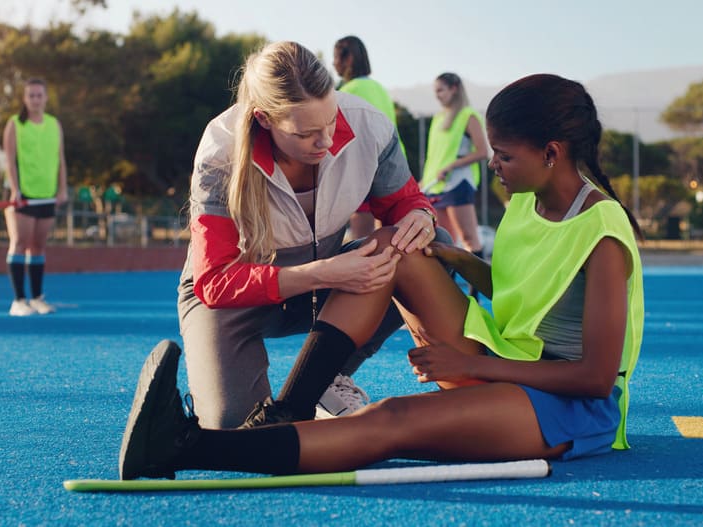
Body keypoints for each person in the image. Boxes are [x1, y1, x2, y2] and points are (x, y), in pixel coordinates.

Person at [118, 73, 645, 480]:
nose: (492, 165)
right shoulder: (530, 200)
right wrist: (457, 260)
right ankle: (289, 410)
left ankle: (184, 447)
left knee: (392, 420)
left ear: (551, 154)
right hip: (508, 361)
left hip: (569, 405)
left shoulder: (600, 232)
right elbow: (530, 294)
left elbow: (594, 378)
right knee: (397, 246)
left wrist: (469, 365)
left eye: (504, 156)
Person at [174, 41, 441, 429]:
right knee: (238, 429)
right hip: (234, 298)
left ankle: (324, 378)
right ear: (265, 119)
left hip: (326, 284)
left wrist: (420, 215)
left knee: (433, 249)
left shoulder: (369, 125)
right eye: (306, 134)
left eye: (331, 121)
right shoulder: (221, 152)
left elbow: (404, 203)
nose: (327, 141)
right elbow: (215, 281)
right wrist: (322, 273)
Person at [2, 78, 68, 316]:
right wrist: (15, 189)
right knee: (20, 242)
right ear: (25, 99)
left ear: (46, 98)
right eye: (31, 95)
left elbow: (60, 159)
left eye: (39, 95)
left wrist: (62, 188)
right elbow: (9, 159)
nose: (35, 100)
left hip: (46, 194)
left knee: (38, 246)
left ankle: (37, 298)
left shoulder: (54, 124)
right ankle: (19, 301)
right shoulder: (15, 124)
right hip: (23, 194)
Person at [332, 36, 405, 240]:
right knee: (389, 239)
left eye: (335, 57)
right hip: (392, 165)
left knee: (362, 241)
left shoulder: (347, 91)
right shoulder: (380, 89)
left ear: (348, 59)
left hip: (364, 167)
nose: (333, 63)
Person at [420, 73, 489, 266]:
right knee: (444, 241)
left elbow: (483, 152)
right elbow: (434, 155)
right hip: (435, 185)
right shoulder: (438, 118)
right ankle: (448, 282)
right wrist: (424, 180)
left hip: (458, 183)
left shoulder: (468, 116)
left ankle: (478, 282)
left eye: (441, 90)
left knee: (469, 238)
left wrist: (452, 166)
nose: (437, 95)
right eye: (435, 91)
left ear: (454, 88)